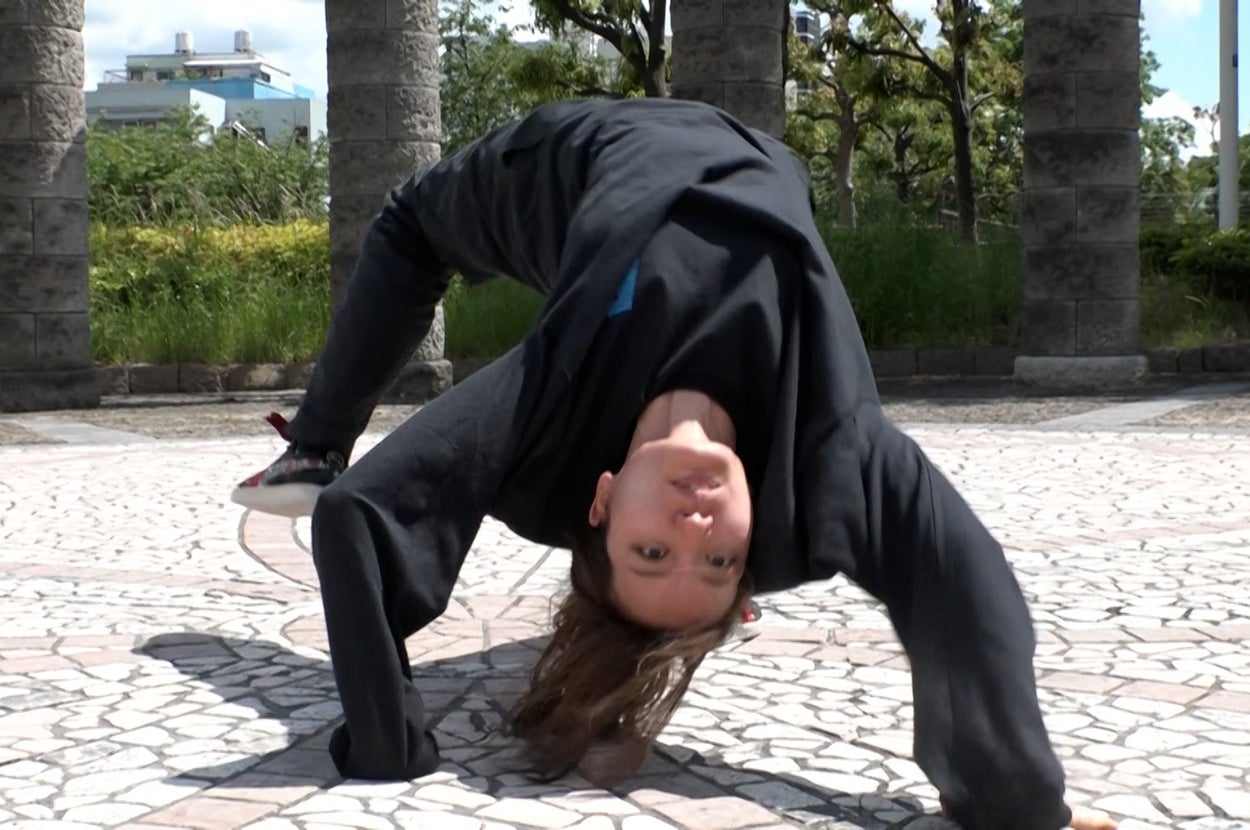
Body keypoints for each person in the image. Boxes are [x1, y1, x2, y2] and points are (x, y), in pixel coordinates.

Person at [232, 98, 1115, 830]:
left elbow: (359, 515)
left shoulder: (550, 404)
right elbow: (959, 584)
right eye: (720, 558)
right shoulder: (829, 445)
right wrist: (1014, 802)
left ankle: (312, 441)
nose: (694, 527)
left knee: (408, 223)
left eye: (652, 552)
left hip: (575, 164)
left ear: (603, 501)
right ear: (754, 537)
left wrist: (386, 740)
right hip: (753, 151)